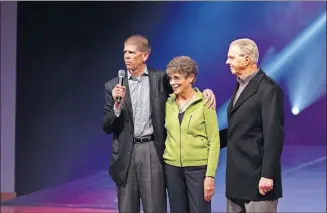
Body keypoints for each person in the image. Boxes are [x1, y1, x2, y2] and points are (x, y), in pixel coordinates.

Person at [102, 35, 216, 213]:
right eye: (124, 52)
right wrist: (117, 104)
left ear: (145, 56)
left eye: (131, 52)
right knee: (126, 208)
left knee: (155, 207)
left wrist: (207, 91)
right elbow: (106, 126)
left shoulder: (161, 79)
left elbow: (185, 87)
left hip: (152, 150)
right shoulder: (113, 86)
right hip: (125, 153)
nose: (126, 56)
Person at [225, 38, 284, 213]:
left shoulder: (268, 89)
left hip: (258, 180)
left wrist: (267, 174)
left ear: (247, 59)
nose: (227, 61)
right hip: (236, 179)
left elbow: (274, 135)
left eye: (232, 57)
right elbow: (240, 128)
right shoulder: (240, 86)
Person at [163, 56, 220, 213]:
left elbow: (214, 141)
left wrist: (210, 176)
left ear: (191, 77)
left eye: (177, 78)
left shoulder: (205, 103)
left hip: (198, 169)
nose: (172, 83)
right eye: (170, 78)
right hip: (172, 168)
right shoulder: (167, 103)